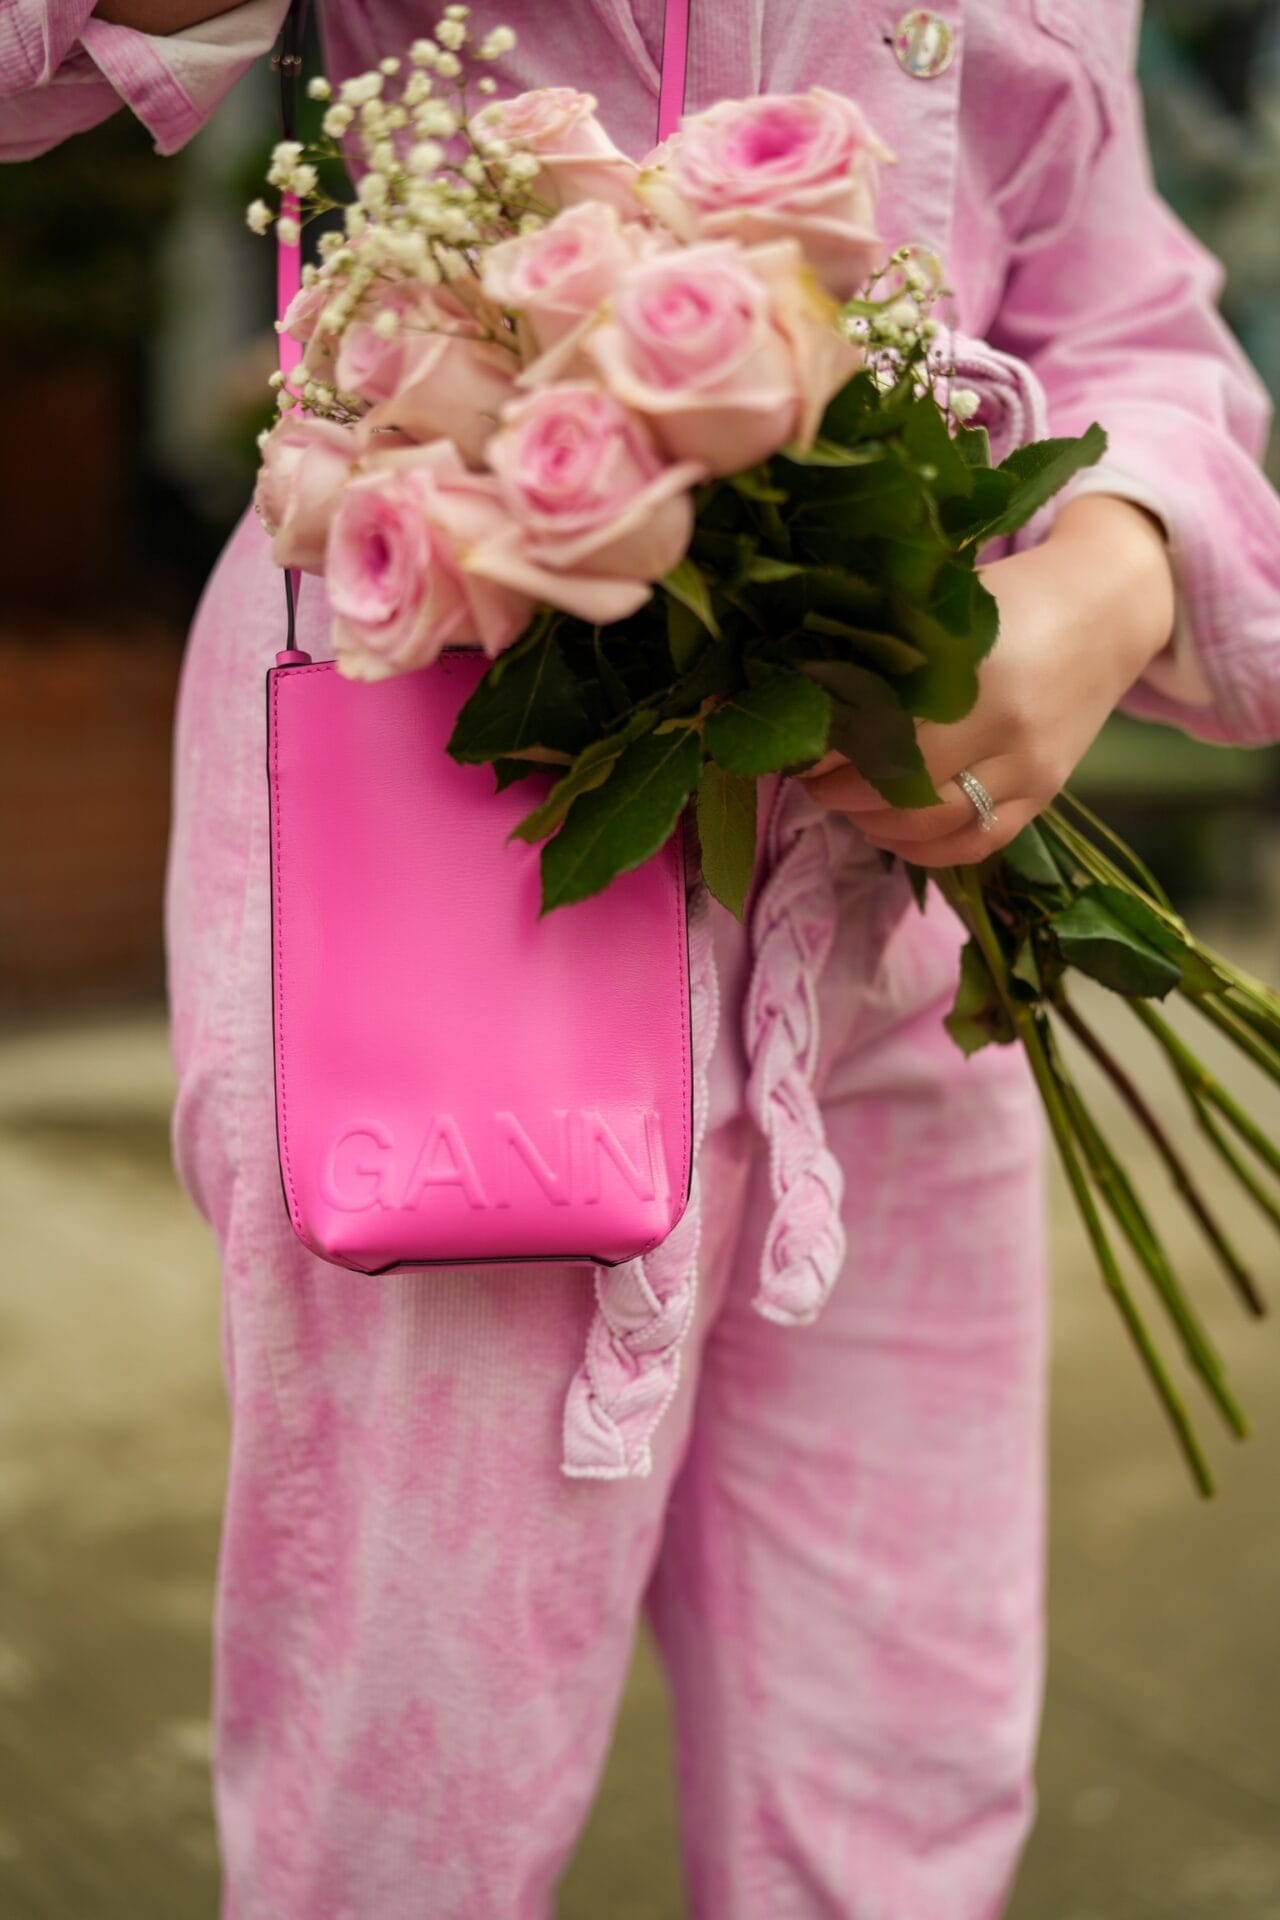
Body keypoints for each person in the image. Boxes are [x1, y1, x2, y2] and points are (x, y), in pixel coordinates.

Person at [4, 4, 1279, 1915]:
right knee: (413, 1793)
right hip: (461, 847)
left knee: (900, 1777)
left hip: (913, 930)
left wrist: (1106, 579)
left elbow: (1130, 303)